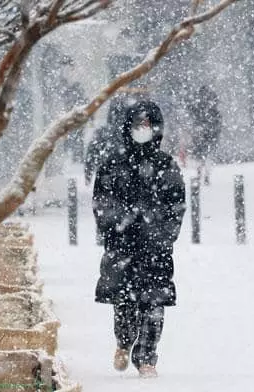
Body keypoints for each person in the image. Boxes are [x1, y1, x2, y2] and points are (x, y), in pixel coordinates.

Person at [92, 100, 186, 378]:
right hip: (121, 247)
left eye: (148, 125)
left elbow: (175, 207)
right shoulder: (112, 165)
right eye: (138, 125)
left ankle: (147, 357)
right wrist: (118, 226)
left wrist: (161, 235)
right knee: (124, 302)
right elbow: (101, 203)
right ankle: (123, 342)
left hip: (155, 249)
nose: (142, 131)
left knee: (154, 305)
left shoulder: (166, 165)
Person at [84, 97, 127, 186]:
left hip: (106, 175)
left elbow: (91, 153)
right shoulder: (130, 134)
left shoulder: (102, 132)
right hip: (124, 176)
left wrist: (88, 173)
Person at [188, 85, 223, 185]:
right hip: (209, 135)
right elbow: (218, 124)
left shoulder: (198, 108)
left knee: (201, 156)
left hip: (203, 135)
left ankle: (201, 174)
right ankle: (205, 175)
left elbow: (194, 117)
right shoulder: (213, 110)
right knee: (207, 156)